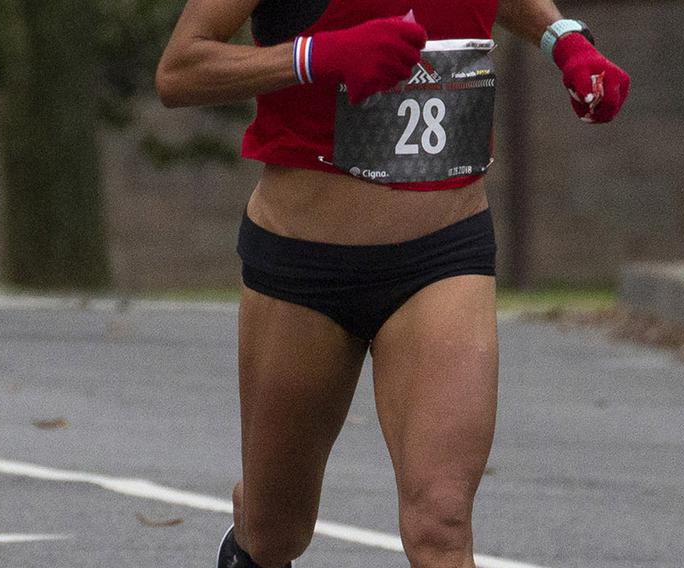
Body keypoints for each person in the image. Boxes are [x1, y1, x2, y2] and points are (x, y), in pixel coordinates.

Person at [156, 1, 629, 567]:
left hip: (444, 254)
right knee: (276, 528)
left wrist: (564, 40)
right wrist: (319, 56)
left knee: (442, 522)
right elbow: (179, 71)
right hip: (304, 265)